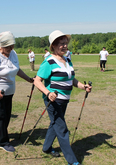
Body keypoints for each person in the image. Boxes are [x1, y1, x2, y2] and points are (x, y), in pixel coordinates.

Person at [34, 30, 92, 165]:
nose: (65, 46)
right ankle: (73, 161)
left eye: (66, 43)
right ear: (53, 45)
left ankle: (46, 148)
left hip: (64, 99)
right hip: (53, 100)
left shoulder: (67, 60)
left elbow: (71, 79)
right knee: (62, 128)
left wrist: (83, 86)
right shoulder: (48, 61)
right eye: (61, 43)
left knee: (55, 124)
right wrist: (48, 93)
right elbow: (37, 81)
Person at [0, 31, 33, 152]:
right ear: (1, 45)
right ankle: (2, 142)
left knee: (6, 116)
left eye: (12, 45)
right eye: (8, 46)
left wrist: (29, 79)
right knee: (0, 117)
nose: (11, 48)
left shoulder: (13, 53)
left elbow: (17, 69)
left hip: (9, 92)